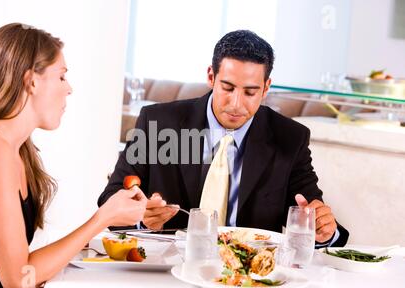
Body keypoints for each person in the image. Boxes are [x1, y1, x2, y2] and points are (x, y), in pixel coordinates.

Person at [99, 30, 349, 247]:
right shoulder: (158, 122)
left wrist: (323, 230)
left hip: (248, 278)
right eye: (227, 88)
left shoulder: (290, 138)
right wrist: (141, 218)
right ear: (211, 77)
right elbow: (110, 199)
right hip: (169, 270)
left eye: (250, 92)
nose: (236, 104)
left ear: (266, 87)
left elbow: (313, 218)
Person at [0, 23, 146, 288]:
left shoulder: (16, 148)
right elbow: (20, 281)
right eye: (61, 76)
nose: (69, 88)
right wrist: (102, 219)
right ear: (31, 81)